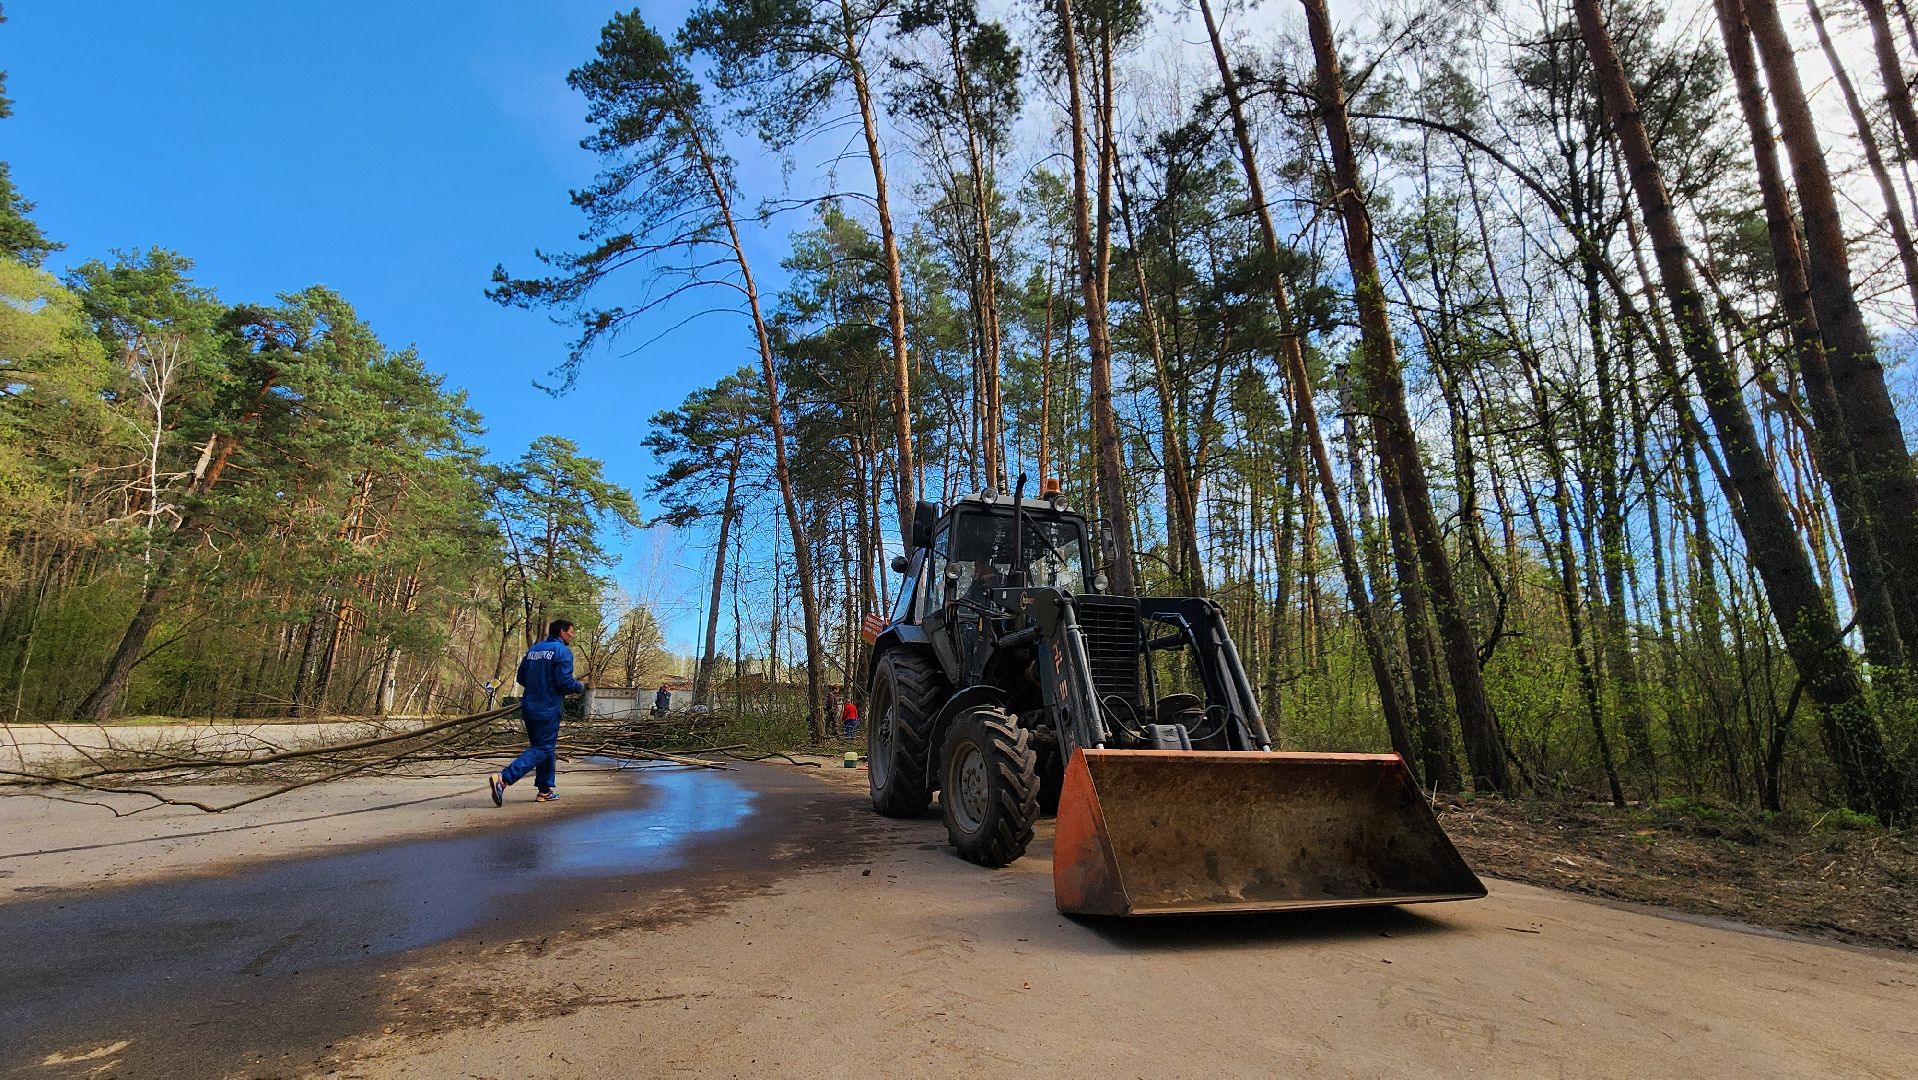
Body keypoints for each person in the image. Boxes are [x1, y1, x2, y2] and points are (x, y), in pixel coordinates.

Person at [490, 619, 586, 806]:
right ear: (562, 632)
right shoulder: (562, 652)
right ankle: (504, 778)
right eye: (571, 632)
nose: (572, 635)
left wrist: (537, 687)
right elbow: (564, 683)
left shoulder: (534, 650)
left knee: (543, 747)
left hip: (529, 706)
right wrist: (580, 687)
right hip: (548, 707)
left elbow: (522, 677)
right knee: (544, 747)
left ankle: (544, 790)